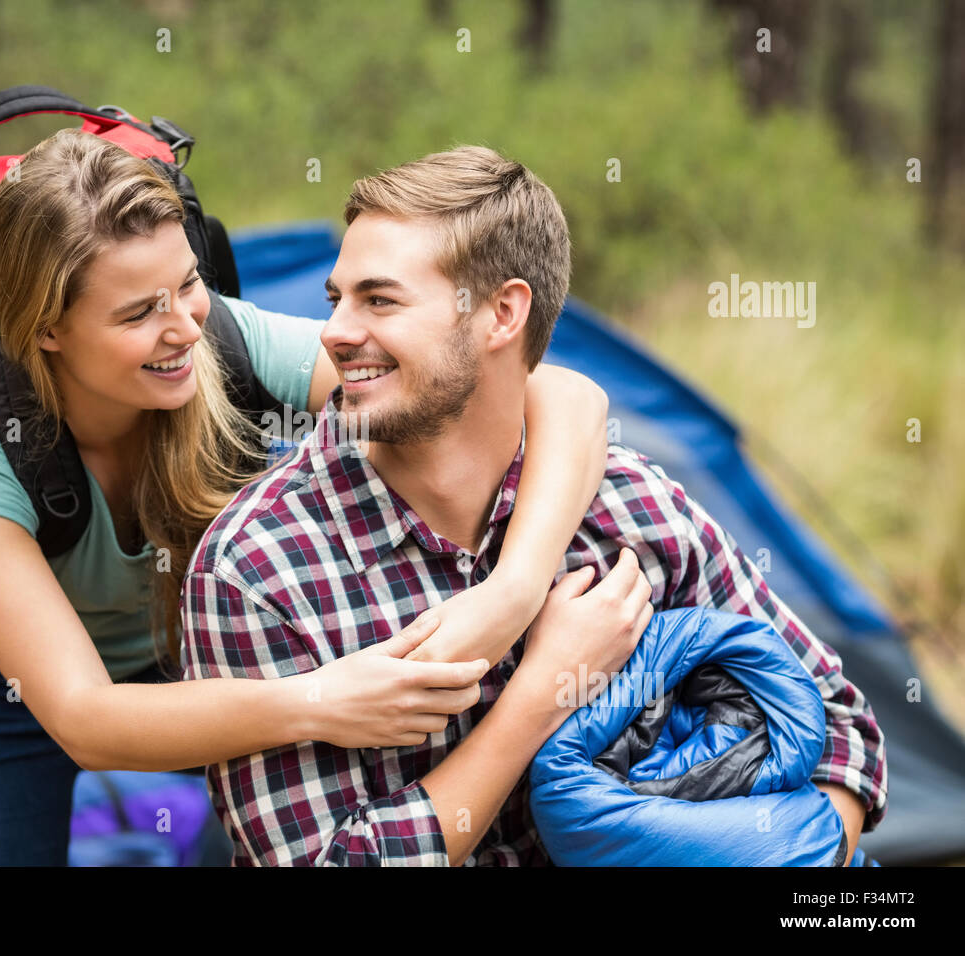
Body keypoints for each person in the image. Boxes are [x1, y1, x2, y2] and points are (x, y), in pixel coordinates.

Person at [0, 127, 615, 865]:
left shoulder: (226, 344)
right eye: (139, 313)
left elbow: (561, 394)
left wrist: (513, 591)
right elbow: (86, 716)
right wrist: (320, 699)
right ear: (48, 329)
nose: (183, 330)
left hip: (194, 655)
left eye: (187, 285)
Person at [180, 145, 888, 866]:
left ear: (502, 314)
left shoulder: (631, 506)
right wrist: (540, 695)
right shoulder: (257, 564)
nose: (334, 330)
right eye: (338, 299)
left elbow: (844, 729)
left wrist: (778, 852)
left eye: (380, 299)